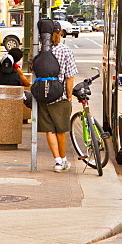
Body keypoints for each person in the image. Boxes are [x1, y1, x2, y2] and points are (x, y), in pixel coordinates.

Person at [36, 20, 78, 172]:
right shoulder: (65, 50)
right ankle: (64, 159)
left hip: (43, 93)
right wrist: (69, 96)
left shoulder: (40, 50)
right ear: (60, 32)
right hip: (59, 95)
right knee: (61, 130)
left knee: (49, 130)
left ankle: (57, 161)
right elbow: (70, 76)